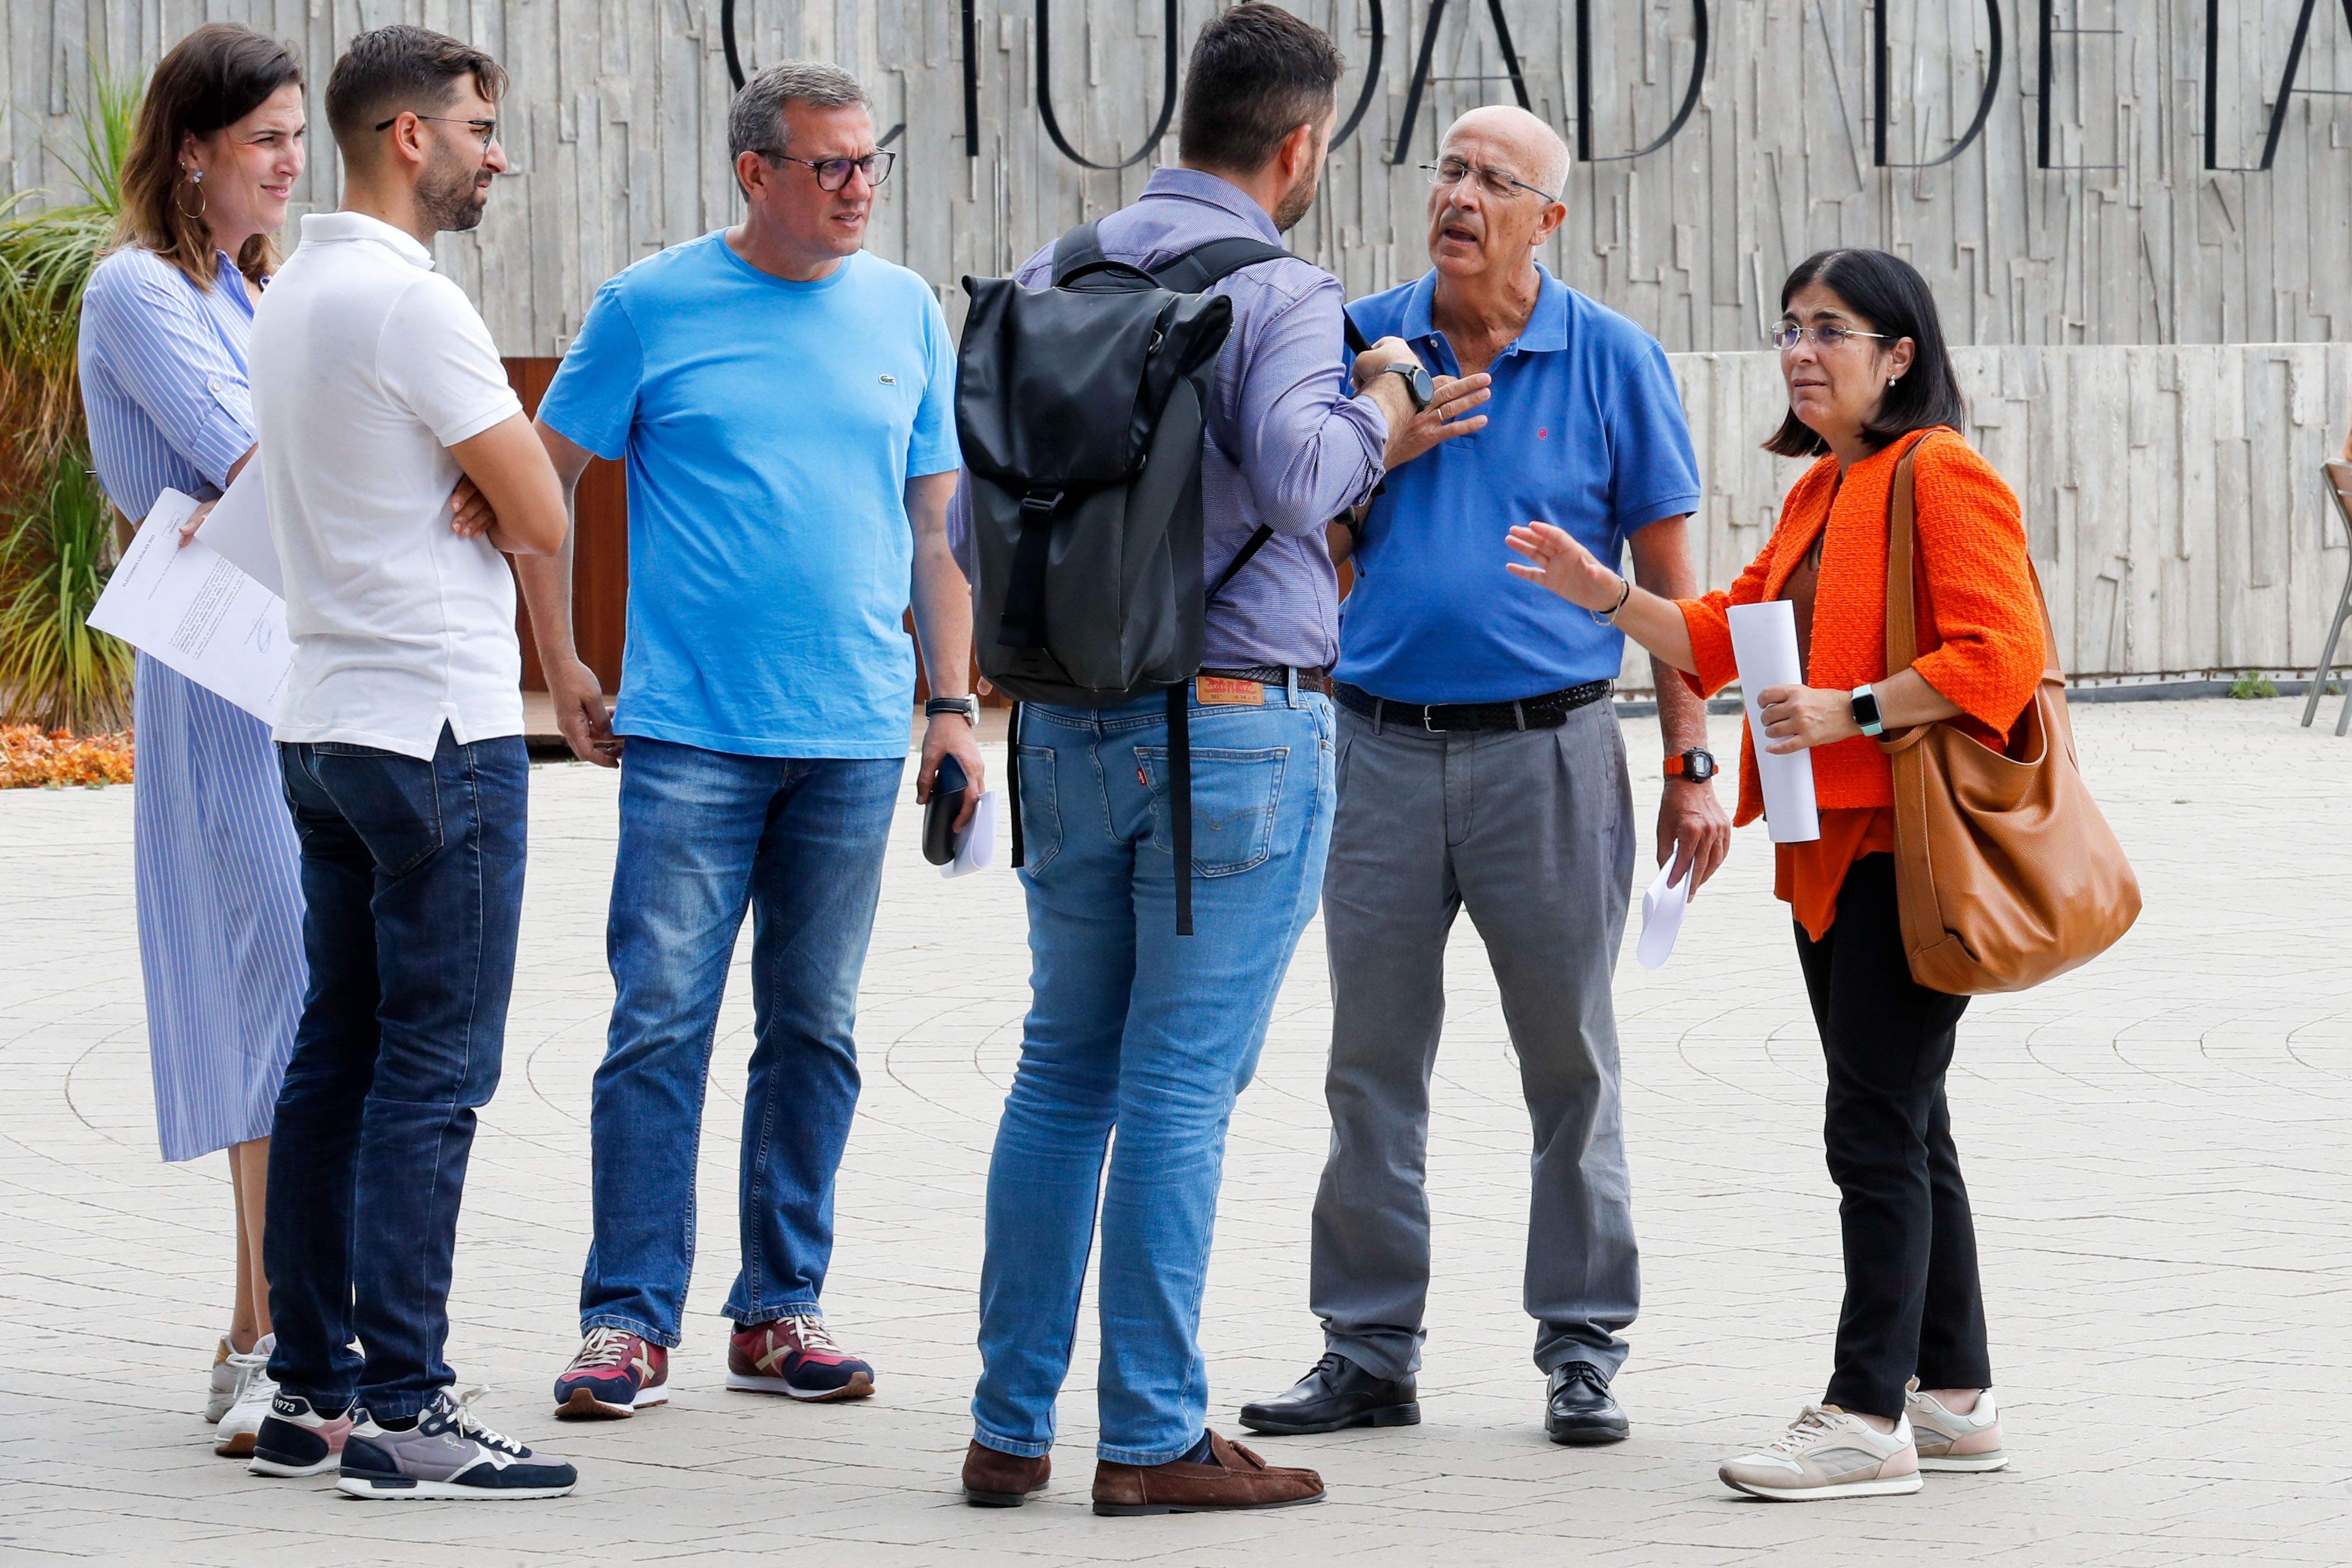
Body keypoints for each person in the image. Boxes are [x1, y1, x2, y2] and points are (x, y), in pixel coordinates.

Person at [959, 3, 1421, 1518]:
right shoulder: (1282, 289)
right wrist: (1386, 405)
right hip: (1232, 728)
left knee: (1059, 1071)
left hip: (1072, 725)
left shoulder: (1054, 271)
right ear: (1301, 147)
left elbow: (978, 522)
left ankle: (1008, 1423)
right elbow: (1298, 476)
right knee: (1174, 1090)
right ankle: (1152, 1432)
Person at [1507, 246, 2042, 1500]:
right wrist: (1608, 595)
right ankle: (1953, 1398)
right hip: (1829, 851)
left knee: (1871, 1126)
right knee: (1909, 1117)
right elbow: (1724, 630)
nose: (1801, 351)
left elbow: (2001, 655)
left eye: (1832, 331)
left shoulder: (1939, 474)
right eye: (1791, 328)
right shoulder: (1822, 490)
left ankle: (1866, 1415)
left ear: (1898, 356)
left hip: (1903, 854)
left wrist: (1852, 707)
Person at [1239, 105, 1726, 1450]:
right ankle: (1367, 1350)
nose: (1457, 195)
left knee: (1569, 1064)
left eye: (1492, 180)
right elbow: (1301, 540)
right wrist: (1379, 447)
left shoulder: (1613, 359)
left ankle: (1581, 1348)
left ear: (1545, 218)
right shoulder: (1361, 339)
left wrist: (1693, 761)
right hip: (1378, 746)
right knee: (1370, 1067)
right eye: (1445, 170)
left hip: (1553, 753)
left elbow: (1673, 592)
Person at [526, 60, 979, 1422]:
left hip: (850, 733)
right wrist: (558, 665)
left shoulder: (903, 308)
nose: (857, 189)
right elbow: (539, 485)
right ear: (755, 175)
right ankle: (625, 1321)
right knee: (657, 1025)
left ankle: (779, 1311)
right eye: (828, 166)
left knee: (814, 1030)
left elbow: (935, 530)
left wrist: (950, 708)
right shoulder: (650, 306)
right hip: (690, 738)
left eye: (868, 163)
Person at [244, 24, 580, 1499]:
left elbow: (490, 496)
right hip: (435, 729)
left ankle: (309, 1396)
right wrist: (485, 468)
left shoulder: (292, 290)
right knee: (432, 1076)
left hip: (320, 722)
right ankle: (407, 1409)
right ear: (406, 137)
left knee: (337, 1060)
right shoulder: (412, 306)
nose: (494, 153)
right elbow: (546, 516)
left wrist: (476, 476)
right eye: (478, 126)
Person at [76, 22, 316, 1458]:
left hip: (301, 668)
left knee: (299, 996)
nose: (293, 163)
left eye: (298, 136)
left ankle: (263, 1328)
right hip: (225, 678)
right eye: (267, 140)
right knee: (268, 991)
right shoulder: (136, 291)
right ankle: (271, 1337)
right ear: (192, 151)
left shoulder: (254, 285)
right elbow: (258, 458)